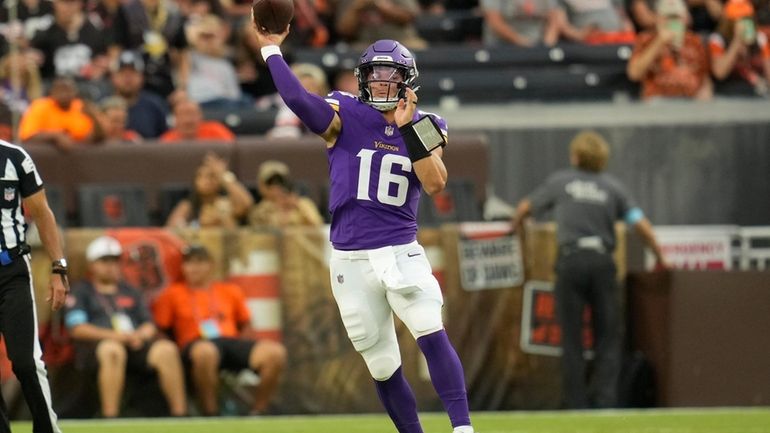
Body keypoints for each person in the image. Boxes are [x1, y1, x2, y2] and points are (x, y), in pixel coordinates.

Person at [252, 23, 475, 433]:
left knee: (429, 329)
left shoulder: (427, 123)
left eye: (390, 76)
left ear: (407, 82)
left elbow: (435, 182)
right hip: (349, 258)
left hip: (400, 250)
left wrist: (407, 128)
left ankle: (462, 429)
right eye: (374, 74)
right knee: (382, 363)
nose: (382, 83)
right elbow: (299, 99)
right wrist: (271, 50)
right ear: (362, 79)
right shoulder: (344, 111)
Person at [510, 130, 669, 409]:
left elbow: (525, 208)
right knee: (607, 338)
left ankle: (576, 406)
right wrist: (660, 256)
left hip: (570, 263)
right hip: (601, 264)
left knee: (571, 339)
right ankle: (605, 403)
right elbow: (639, 223)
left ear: (575, 156)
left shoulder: (561, 183)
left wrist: (515, 229)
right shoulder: (613, 188)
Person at [152, 244, 287, 416]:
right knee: (206, 352)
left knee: (275, 353)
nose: (194, 268)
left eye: (199, 262)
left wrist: (246, 345)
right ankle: (211, 414)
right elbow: (161, 328)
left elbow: (245, 323)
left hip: (229, 341)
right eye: (189, 263)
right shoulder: (172, 294)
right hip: (194, 344)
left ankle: (258, 412)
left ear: (210, 265)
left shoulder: (229, 290)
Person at [64, 236, 187, 417]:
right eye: (104, 261)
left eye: (114, 261)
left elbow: (149, 324)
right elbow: (77, 328)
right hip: (98, 349)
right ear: (92, 265)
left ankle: (181, 415)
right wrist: (117, 337)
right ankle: (110, 417)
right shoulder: (82, 291)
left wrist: (140, 336)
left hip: (134, 344)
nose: (111, 266)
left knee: (167, 350)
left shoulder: (130, 290)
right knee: (113, 350)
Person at [0, 136, 68, 432]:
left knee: (27, 362)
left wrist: (58, 267)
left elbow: (42, 213)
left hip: (11, 269)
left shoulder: (15, 157)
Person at [626, 0, 713, 100]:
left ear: (686, 19)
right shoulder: (646, 40)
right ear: (658, 18)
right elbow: (634, 74)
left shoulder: (694, 42)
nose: (672, 23)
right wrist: (659, 42)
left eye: (676, 17)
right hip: (657, 101)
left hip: (690, 101)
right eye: (667, 17)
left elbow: (705, 79)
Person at [165, 152, 253, 228]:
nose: (205, 181)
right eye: (200, 176)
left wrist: (223, 175)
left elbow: (246, 204)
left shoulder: (226, 204)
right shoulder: (187, 207)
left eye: (211, 176)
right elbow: (170, 229)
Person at [19, 77, 104, 149]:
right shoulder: (40, 106)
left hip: (81, 159)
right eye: (60, 90)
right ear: (52, 93)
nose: (64, 94)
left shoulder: (82, 106)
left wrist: (94, 118)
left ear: (75, 92)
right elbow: (26, 136)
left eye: (68, 90)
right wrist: (55, 136)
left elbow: (100, 137)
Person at [709, 0, 770, 96]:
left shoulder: (760, 38)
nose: (745, 25)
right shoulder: (718, 40)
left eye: (747, 19)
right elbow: (719, 73)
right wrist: (736, 43)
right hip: (727, 93)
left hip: (755, 92)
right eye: (739, 20)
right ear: (729, 22)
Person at [248, 160, 324, 227]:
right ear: (261, 186)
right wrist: (279, 209)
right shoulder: (260, 210)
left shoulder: (304, 204)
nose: (276, 187)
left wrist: (297, 205)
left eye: (280, 181)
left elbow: (317, 226)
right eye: (270, 183)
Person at [159, 99, 236, 143]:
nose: (188, 120)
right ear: (175, 118)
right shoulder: (167, 140)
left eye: (192, 114)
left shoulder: (216, 130)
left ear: (200, 116)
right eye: (183, 114)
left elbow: (232, 149)